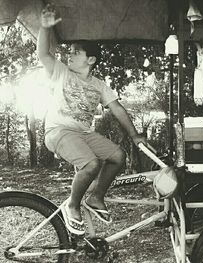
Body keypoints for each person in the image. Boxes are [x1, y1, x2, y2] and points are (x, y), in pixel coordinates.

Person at [37, 5, 146, 235]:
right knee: (91, 164)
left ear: (91, 59)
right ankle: (72, 206)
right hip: (58, 131)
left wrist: (135, 135)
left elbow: (118, 109)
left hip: (82, 134)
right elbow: (43, 54)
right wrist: (45, 28)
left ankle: (96, 198)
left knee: (118, 156)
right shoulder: (61, 72)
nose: (70, 55)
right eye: (70, 51)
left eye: (76, 52)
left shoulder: (98, 85)